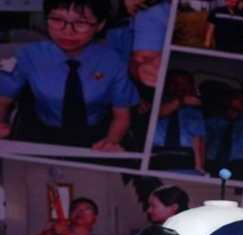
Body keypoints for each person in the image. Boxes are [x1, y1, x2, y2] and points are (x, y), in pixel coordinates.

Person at [0, 0, 140, 150]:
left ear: (100, 25)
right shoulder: (30, 55)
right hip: (41, 132)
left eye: (81, 22)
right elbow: (2, 100)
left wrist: (111, 141)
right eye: (57, 19)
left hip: (97, 134)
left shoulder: (114, 61)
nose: (67, 32)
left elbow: (121, 115)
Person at [73, 185, 190, 235]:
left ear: (173, 207)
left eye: (153, 206)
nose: (148, 210)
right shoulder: (150, 233)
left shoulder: (191, 228)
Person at [151, 70, 206, 174]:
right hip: (157, 154)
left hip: (185, 157)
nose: (179, 86)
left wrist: (199, 165)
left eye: (184, 83)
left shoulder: (195, 112)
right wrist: (179, 101)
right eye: (174, 82)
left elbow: (198, 139)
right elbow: (155, 114)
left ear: (191, 87)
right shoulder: (157, 102)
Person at [204, 89, 243, 179]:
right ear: (227, 101)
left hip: (237, 163)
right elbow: (202, 141)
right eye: (239, 99)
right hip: (212, 161)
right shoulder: (213, 120)